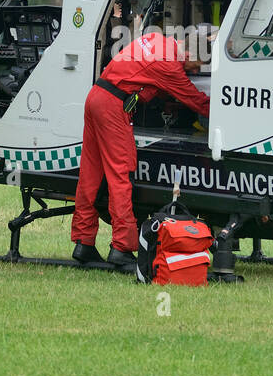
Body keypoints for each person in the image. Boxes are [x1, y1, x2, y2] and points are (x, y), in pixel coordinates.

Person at [71, 28, 210, 270]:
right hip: (113, 107)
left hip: (96, 97)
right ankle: (121, 248)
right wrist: (226, 112)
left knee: (90, 175)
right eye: (196, 65)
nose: (196, 71)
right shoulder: (169, 65)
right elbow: (193, 99)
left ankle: (84, 243)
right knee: (121, 175)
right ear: (186, 52)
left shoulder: (156, 39)